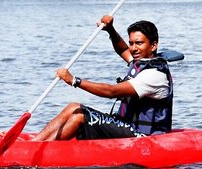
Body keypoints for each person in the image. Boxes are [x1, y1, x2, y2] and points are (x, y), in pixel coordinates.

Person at [33, 16, 173, 141]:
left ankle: (36, 150)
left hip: (143, 136)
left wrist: (75, 80)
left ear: (153, 45)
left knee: (79, 115)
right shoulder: (141, 62)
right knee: (73, 107)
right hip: (125, 124)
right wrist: (110, 30)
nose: (133, 48)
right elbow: (122, 50)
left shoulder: (154, 75)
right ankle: (34, 144)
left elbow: (111, 92)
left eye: (139, 43)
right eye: (131, 43)